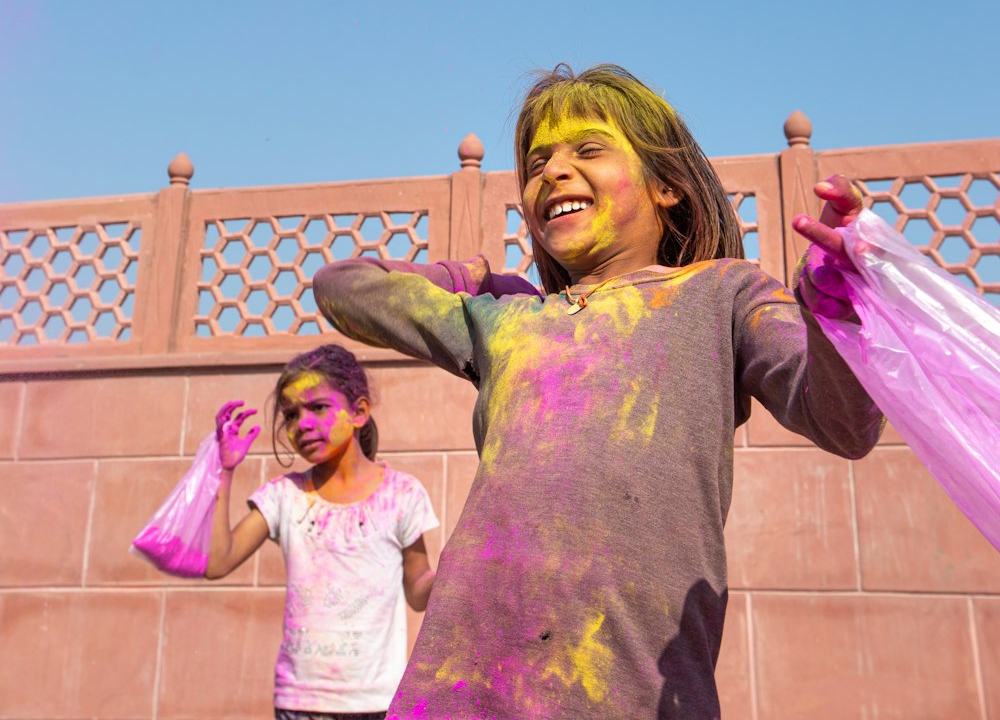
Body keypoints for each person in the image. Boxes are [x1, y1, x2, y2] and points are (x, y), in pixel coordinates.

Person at [313, 64, 884, 720]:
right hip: (456, 694)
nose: (553, 170)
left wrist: (838, 303)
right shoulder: (506, 322)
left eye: (587, 149)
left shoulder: (723, 294)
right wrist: (464, 277)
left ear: (668, 184)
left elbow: (843, 423)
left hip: (633, 695)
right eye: (537, 162)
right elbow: (341, 284)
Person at [205, 342, 439, 720]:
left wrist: (453, 572)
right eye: (291, 415)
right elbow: (218, 561)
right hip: (301, 704)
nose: (302, 425)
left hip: (378, 702)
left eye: (317, 407)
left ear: (359, 412)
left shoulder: (402, 494)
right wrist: (223, 469)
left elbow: (417, 590)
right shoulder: (284, 497)